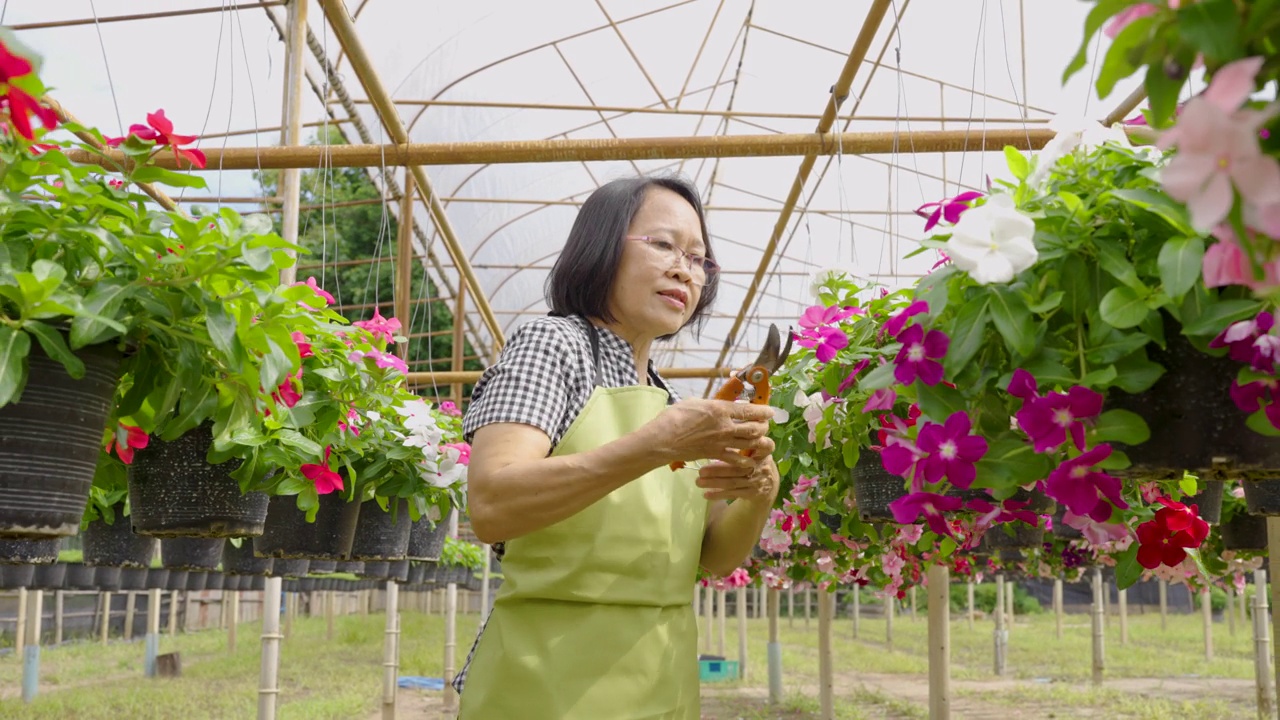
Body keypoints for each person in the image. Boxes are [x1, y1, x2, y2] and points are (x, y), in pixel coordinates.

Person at [454, 175, 779, 719]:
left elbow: (714, 559)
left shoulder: (668, 398)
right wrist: (655, 444)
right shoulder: (553, 347)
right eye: (663, 245)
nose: (685, 269)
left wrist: (760, 490)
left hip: (663, 685)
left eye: (699, 259)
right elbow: (493, 505)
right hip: (547, 686)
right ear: (600, 247)